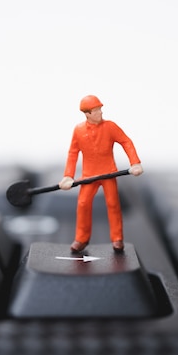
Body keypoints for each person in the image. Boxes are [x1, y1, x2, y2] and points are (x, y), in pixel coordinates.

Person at [59, 95, 144, 252]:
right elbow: (73, 153)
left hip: (108, 174)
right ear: (87, 113)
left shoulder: (110, 127)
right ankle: (81, 239)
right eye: (96, 110)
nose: (100, 113)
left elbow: (126, 141)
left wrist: (135, 163)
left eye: (100, 109)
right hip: (89, 176)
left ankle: (117, 238)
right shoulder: (78, 130)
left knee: (113, 204)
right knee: (83, 204)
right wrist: (68, 176)